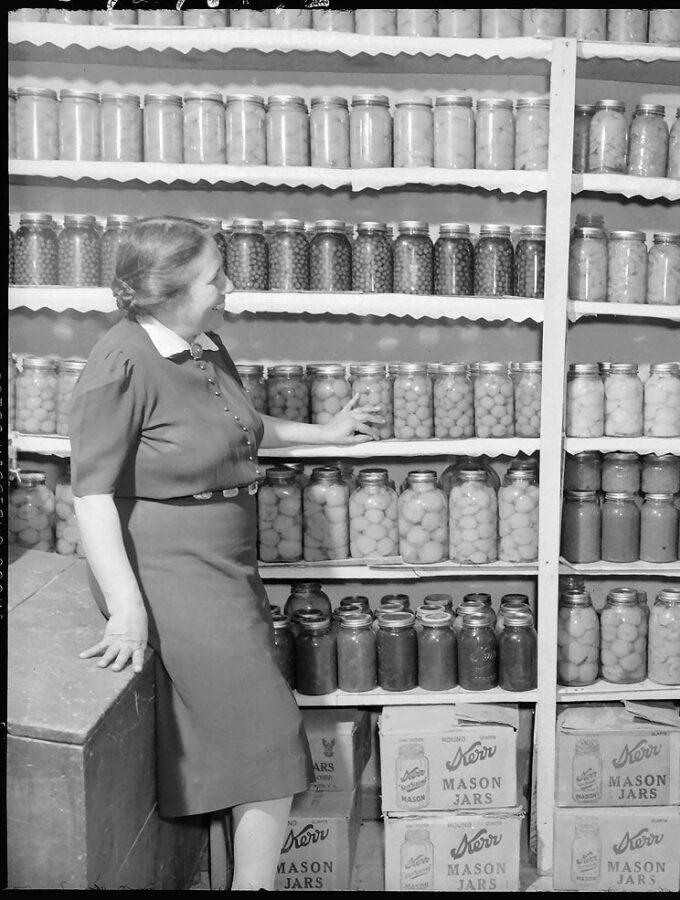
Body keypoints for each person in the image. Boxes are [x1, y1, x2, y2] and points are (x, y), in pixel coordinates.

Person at [68, 216, 384, 890]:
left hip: (227, 563)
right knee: (268, 729)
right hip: (166, 567)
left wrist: (325, 434)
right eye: (216, 276)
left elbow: (241, 424)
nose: (230, 287)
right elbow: (91, 494)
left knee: (241, 729)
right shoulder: (121, 362)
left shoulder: (201, 344)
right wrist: (126, 609)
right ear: (168, 288)